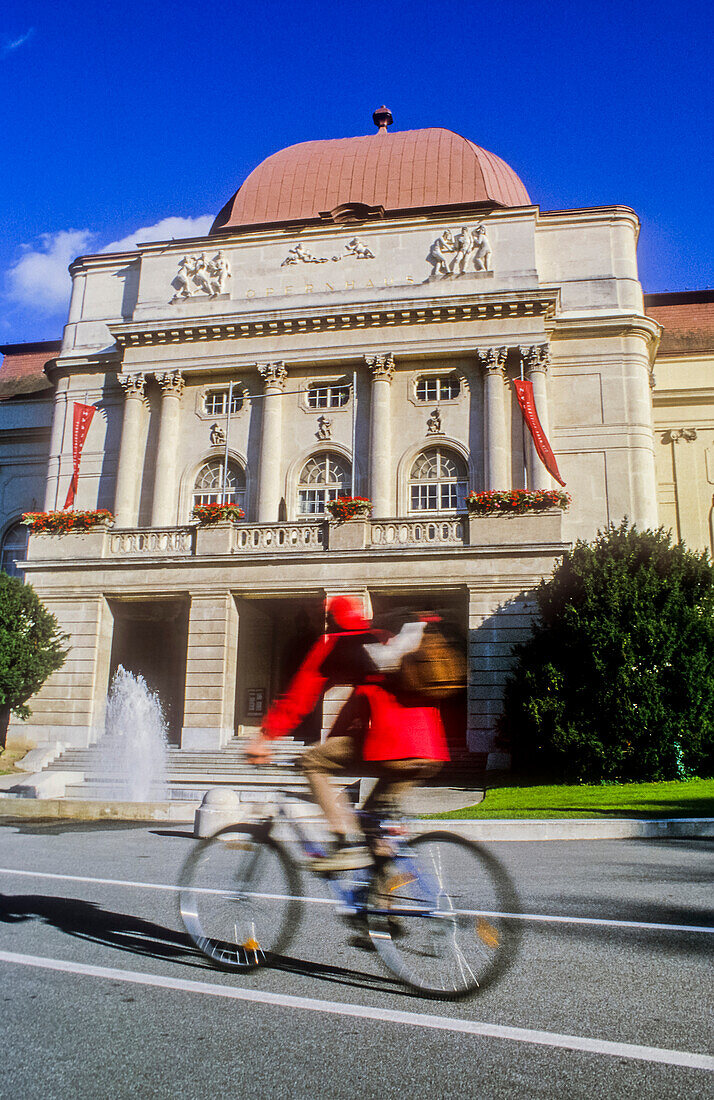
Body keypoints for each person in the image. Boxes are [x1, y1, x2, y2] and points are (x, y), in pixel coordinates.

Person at [246, 595, 449, 871]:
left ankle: (345, 844)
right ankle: (383, 906)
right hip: (428, 748)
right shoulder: (383, 636)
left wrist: (265, 737)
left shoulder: (336, 643)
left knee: (312, 763)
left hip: (389, 742)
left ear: (330, 618)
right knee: (375, 826)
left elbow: (300, 697)